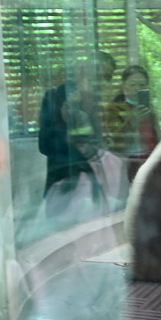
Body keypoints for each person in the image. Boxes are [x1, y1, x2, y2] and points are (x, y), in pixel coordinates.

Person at [38, 52, 115, 214]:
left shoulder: (100, 105)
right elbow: (45, 144)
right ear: (84, 69)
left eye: (106, 76)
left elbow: (105, 143)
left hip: (96, 185)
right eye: (97, 71)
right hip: (65, 183)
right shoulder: (55, 97)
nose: (100, 79)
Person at [101, 65, 161, 181]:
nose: (137, 88)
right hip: (128, 164)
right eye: (133, 85)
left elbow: (158, 136)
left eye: (142, 85)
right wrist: (132, 122)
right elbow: (115, 144)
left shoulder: (149, 109)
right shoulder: (113, 109)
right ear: (124, 87)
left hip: (152, 161)